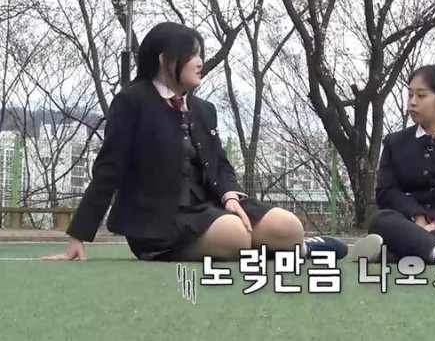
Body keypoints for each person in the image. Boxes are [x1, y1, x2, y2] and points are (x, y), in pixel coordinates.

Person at [43, 22, 347, 262]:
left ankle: (298, 247)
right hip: (158, 220)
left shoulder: (204, 109)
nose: (200, 63)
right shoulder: (132, 102)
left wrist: (229, 196)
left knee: (288, 227)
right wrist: (78, 235)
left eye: (201, 54)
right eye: (193, 55)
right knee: (236, 236)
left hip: (210, 206)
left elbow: (220, 165)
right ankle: (281, 252)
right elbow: (108, 169)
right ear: (165, 60)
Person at [350, 65, 435, 266]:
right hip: (404, 222)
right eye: (410, 95)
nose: (412, 102)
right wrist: (416, 216)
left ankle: (394, 253)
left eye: (421, 96)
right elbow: (386, 192)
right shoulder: (394, 142)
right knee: (380, 220)